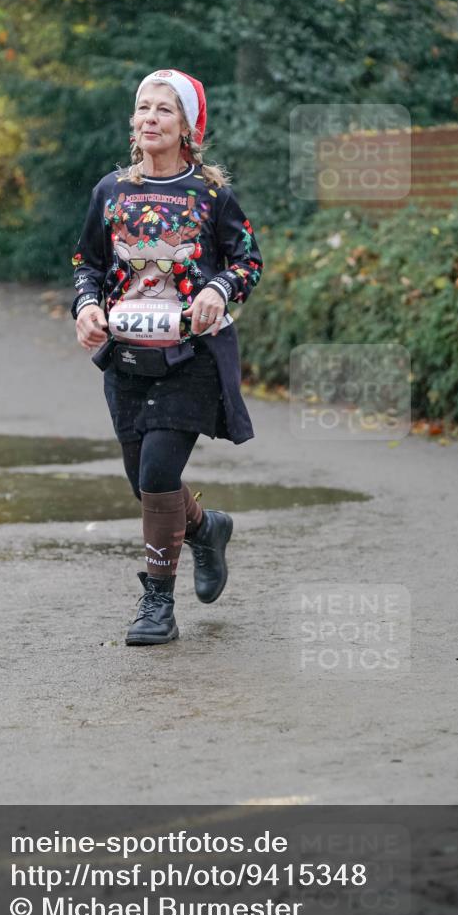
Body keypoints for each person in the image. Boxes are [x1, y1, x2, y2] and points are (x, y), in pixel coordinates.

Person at [70, 68, 263, 647]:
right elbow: (88, 263)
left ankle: (157, 603)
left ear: (187, 128)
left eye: (164, 111)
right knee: (145, 482)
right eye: (143, 109)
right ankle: (205, 528)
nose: (149, 118)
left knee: (157, 471)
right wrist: (85, 307)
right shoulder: (111, 191)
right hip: (126, 359)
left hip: (192, 357)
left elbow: (248, 261)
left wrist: (216, 289)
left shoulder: (211, 196)